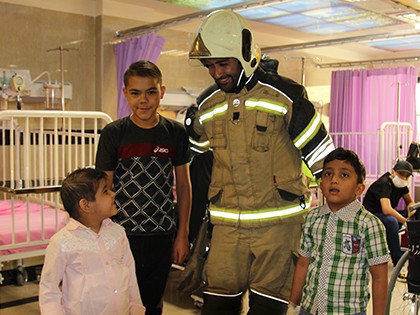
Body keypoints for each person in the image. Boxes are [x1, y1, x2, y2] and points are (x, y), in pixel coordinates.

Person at [185, 9, 335, 314]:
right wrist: (190, 232)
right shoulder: (206, 107)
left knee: (267, 310)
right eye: (209, 66)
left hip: (279, 230)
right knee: (216, 308)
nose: (216, 73)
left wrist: (341, 218)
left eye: (223, 64)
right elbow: (197, 167)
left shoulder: (288, 99)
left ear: (244, 54)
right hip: (227, 233)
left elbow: (325, 163)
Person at [95, 60, 192, 315]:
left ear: (162, 91)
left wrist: (182, 234)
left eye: (150, 92)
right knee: (120, 303)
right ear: (125, 93)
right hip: (121, 234)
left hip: (161, 235)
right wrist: (100, 234)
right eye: (135, 93)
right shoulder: (114, 134)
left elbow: (183, 186)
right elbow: (103, 188)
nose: (143, 100)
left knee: (152, 304)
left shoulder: (176, 133)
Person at [288, 148, 390, 315]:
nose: (334, 180)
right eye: (328, 174)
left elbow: (379, 278)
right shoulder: (312, 218)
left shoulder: (369, 224)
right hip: (309, 309)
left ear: (359, 189)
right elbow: (302, 264)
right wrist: (293, 306)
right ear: (321, 184)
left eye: (344, 175)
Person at [39, 167, 145, 315]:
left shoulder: (118, 233)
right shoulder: (62, 243)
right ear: (86, 205)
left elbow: (130, 274)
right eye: (105, 191)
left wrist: (136, 308)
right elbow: (48, 291)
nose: (113, 194)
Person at [363, 159, 415, 268]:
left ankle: (415, 252)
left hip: (384, 214)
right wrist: (406, 221)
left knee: (417, 215)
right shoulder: (384, 184)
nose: (403, 178)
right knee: (392, 221)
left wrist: (412, 213)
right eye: (401, 174)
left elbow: (410, 202)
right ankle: (398, 262)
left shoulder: (402, 185)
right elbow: (386, 209)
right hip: (372, 215)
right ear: (393, 172)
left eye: (407, 176)